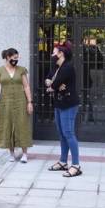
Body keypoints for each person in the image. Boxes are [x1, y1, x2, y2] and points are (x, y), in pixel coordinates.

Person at [45, 41, 82, 177]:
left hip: (69, 104)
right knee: (61, 133)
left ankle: (76, 165)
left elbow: (53, 85)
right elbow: (48, 80)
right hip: (59, 103)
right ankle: (63, 162)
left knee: (69, 133)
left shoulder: (68, 67)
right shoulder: (56, 67)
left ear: (61, 54)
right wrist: (53, 84)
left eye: (54, 53)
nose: (52, 55)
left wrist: (53, 85)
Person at [0, 48, 33, 162]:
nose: (16, 60)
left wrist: (29, 102)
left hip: (21, 101)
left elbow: (26, 86)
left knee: (22, 125)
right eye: (14, 58)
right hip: (5, 103)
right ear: (8, 57)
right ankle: (11, 153)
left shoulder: (21, 70)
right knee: (7, 126)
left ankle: (25, 154)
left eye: (17, 58)